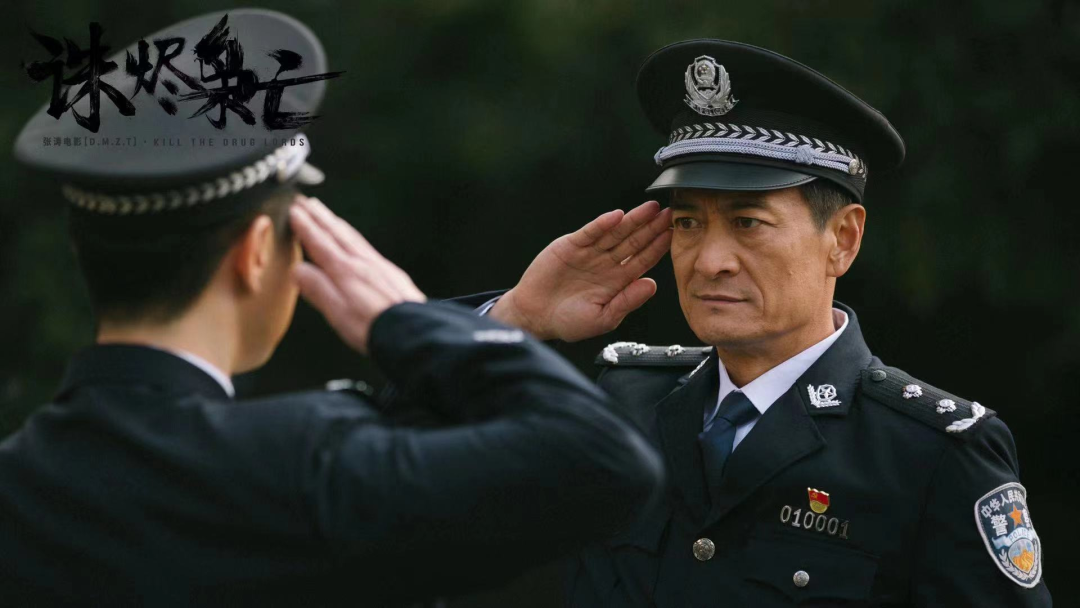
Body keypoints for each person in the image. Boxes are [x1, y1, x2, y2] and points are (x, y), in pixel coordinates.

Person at [1, 10, 666, 606]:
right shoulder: (308, 468)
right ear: (255, 253)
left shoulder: (21, 483)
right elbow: (605, 462)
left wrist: (510, 317)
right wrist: (412, 323)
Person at [470, 39, 1052, 606]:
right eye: (688, 223)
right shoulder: (623, 401)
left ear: (843, 239)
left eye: (747, 222)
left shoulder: (929, 454)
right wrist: (515, 318)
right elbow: (425, 492)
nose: (709, 261)